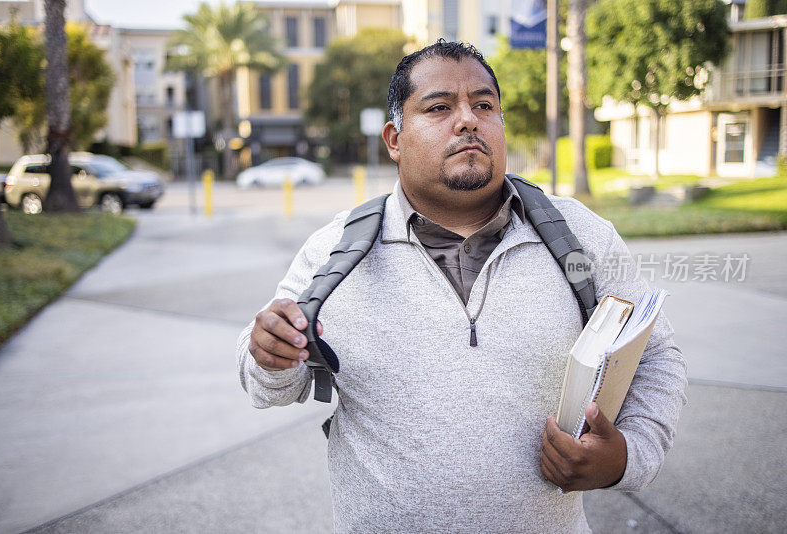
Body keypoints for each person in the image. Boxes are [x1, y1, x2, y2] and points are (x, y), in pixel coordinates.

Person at [237, 40, 686, 532]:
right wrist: (270, 353)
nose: (469, 119)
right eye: (439, 107)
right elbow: (269, 382)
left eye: (484, 104)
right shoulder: (334, 251)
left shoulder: (583, 236)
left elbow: (656, 355)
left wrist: (625, 459)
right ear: (395, 139)